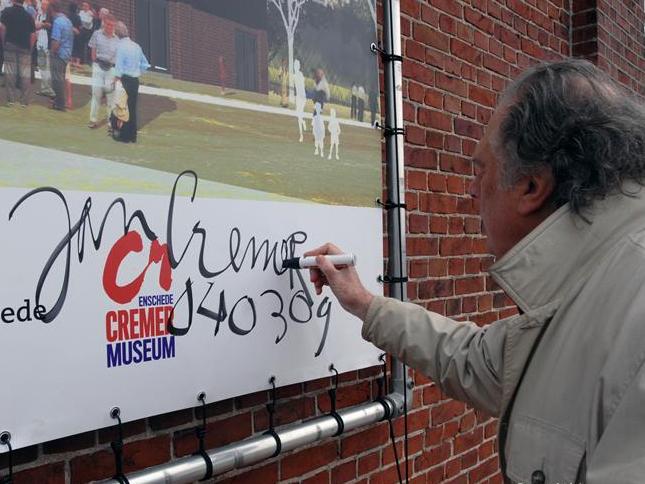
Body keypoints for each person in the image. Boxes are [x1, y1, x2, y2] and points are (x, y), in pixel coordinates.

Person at [305, 59, 645, 483]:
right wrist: (364, 303)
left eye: (481, 170)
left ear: (531, 188)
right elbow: (475, 360)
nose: (470, 190)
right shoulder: (591, 285)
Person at [113, 21, 148, 143]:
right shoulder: (136, 46)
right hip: (135, 80)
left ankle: (123, 135)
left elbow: (118, 66)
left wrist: (116, 80)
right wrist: (138, 71)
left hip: (124, 79)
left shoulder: (120, 46)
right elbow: (145, 63)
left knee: (122, 107)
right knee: (132, 108)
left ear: (117, 34)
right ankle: (132, 135)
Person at [0, 0, 36, 106]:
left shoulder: (7, 12)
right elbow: (33, 35)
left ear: (14, 1)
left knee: (10, 73)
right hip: (25, 46)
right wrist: (31, 48)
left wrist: (3, 42)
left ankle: (11, 100)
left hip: (10, 44)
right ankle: (24, 101)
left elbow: (2, 29)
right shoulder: (29, 16)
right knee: (25, 74)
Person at [87, 12, 116, 129]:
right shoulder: (97, 34)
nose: (110, 27)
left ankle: (111, 122)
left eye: (112, 25)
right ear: (104, 23)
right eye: (108, 24)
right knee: (96, 94)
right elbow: (93, 49)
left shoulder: (117, 39)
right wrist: (95, 62)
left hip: (111, 68)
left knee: (110, 96)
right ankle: (93, 120)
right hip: (99, 66)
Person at [48, 0, 72, 111]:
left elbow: (56, 41)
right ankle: (59, 102)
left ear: (52, 9)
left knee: (57, 80)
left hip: (59, 54)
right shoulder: (68, 21)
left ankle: (60, 103)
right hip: (67, 54)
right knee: (61, 79)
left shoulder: (57, 22)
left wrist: (52, 52)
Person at [34, 0, 54, 97]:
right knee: (42, 67)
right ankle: (44, 88)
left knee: (47, 67)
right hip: (40, 43)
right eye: (42, 4)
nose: (43, 6)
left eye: (45, 4)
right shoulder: (39, 14)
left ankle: (48, 89)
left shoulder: (50, 16)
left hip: (46, 45)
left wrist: (41, 24)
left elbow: (50, 26)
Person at [293, 58, 306, 143]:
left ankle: (301, 135)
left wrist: (302, 97)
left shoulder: (300, 74)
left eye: (297, 65)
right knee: (298, 116)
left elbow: (302, 86)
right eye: (295, 65)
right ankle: (303, 123)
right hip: (298, 97)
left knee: (299, 114)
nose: (296, 67)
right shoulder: (294, 75)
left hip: (302, 97)